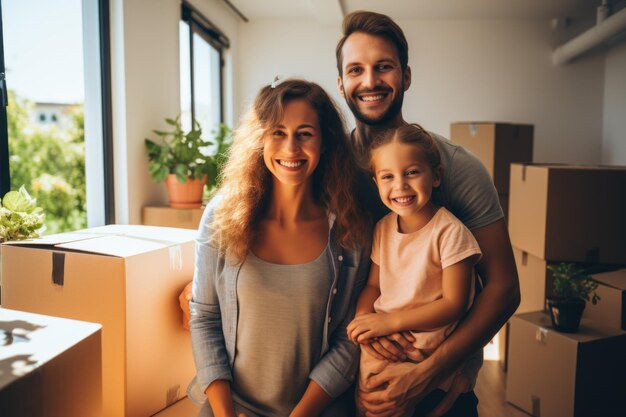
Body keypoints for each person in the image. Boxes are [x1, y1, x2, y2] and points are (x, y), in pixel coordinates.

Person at [335, 10, 520, 417]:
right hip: (349, 374)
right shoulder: (325, 168)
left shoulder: (457, 167)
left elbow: (504, 287)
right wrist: (370, 324)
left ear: (406, 76)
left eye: (383, 67)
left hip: (440, 375)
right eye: (356, 70)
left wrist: (429, 372)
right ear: (342, 83)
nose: (369, 81)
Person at [186, 79, 371, 417]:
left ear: (325, 142)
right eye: (277, 133)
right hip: (230, 408)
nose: (291, 149)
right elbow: (204, 317)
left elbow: (349, 337)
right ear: (260, 139)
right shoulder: (223, 215)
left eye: (304, 134)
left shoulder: (349, 227)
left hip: (317, 410)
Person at [346, 124, 482, 417]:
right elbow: (373, 286)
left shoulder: (450, 232)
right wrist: (364, 318)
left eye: (412, 173)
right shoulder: (383, 228)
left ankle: (453, 391)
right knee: (369, 398)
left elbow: (454, 304)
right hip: (388, 340)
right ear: (376, 182)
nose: (400, 186)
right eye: (388, 177)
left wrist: (391, 322)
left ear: (436, 176)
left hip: (425, 344)